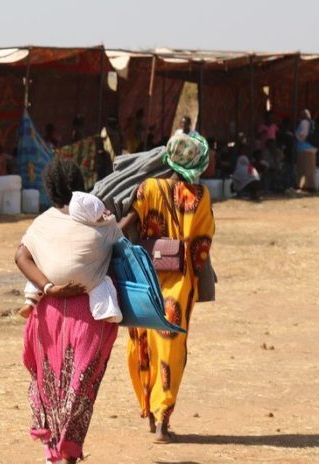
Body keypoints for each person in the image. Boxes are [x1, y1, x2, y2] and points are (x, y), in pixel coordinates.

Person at [15, 158, 122, 463]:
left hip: (47, 316)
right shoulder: (100, 221)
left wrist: (48, 288)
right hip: (88, 314)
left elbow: (21, 256)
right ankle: (68, 453)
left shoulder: (42, 222)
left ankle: (55, 451)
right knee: (80, 387)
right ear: (80, 185)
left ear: (49, 189)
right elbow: (122, 242)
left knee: (50, 386)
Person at [118, 133, 215, 443]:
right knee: (171, 352)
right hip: (179, 286)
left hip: (144, 281)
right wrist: (198, 280)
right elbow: (201, 246)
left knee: (142, 344)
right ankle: (163, 420)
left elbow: (127, 224)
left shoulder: (148, 188)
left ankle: (147, 408)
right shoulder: (199, 196)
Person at [18, 192, 121, 323]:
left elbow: (21, 256)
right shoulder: (102, 231)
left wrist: (48, 287)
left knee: (38, 269)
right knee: (103, 283)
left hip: (51, 279)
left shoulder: (50, 222)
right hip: (86, 282)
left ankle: (30, 301)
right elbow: (120, 239)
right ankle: (106, 311)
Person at [295, 109, 319, 192]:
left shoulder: (304, 122)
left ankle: (308, 186)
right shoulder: (312, 123)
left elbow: (303, 134)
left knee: (304, 169)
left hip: (304, 148)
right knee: (310, 168)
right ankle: (308, 185)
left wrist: (296, 136)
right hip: (311, 148)